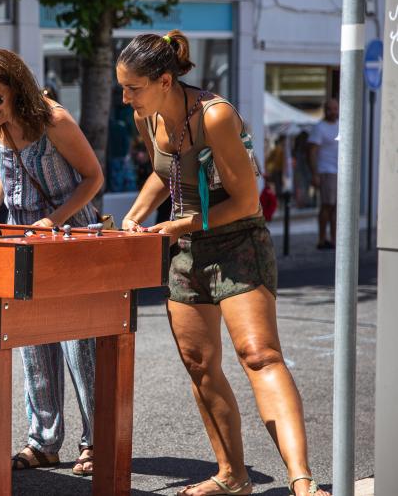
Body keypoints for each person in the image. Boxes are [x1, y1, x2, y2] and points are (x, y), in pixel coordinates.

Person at [117, 30, 330, 496]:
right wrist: (133, 216)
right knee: (199, 363)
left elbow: (247, 202)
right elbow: (164, 172)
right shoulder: (146, 116)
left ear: (165, 80)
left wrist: (180, 226)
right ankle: (232, 475)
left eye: (133, 87)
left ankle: (302, 482)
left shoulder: (215, 116)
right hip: (188, 248)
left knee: (260, 355)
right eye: (123, 87)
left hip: (238, 242)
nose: (125, 96)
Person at [0, 49, 104, 476]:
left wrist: (52, 221)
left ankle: (96, 442)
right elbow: (2, 172)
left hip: (69, 235)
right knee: (33, 345)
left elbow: (94, 177)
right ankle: (43, 442)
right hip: (22, 236)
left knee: (81, 346)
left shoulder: (53, 120)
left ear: (18, 91)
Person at [309, 98, 339, 250]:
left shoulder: (341, 125)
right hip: (326, 170)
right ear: (325, 110)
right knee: (327, 205)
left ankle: (334, 239)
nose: (333, 112)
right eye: (330, 109)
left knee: (336, 207)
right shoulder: (320, 128)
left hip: (340, 171)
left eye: (335, 108)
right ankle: (322, 239)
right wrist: (315, 174)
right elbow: (312, 151)